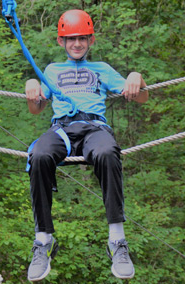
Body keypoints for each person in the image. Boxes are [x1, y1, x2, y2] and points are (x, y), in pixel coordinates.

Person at [25, 9, 149, 282]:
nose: (77, 44)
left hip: (94, 129)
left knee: (107, 152)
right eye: (71, 39)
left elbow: (141, 97)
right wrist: (32, 84)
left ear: (91, 40)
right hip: (62, 130)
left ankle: (117, 240)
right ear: (61, 42)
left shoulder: (101, 69)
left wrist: (136, 77)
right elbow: (36, 109)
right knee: (39, 154)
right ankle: (43, 239)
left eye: (82, 38)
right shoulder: (52, 70)